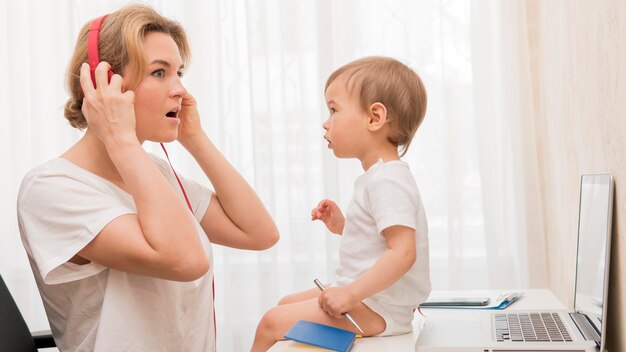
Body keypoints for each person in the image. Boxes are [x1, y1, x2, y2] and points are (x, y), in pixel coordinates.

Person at [16, 4, 279, 351]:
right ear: (103, 84)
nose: (180, 90)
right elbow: (186, 260)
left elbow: (259, 233)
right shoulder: (51, 188)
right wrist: (121, 138)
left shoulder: (153, 173)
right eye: (159, 73)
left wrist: (195, 139)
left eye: (179, 73)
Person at [252, 56, 431, 350]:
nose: (326, 122)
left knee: (270, 323)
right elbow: (380, 241)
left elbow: (403, 253)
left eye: (334, 110)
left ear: (375, 118)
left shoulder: (387, 180)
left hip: (377, 308)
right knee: (284, 304)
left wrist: (348, 294)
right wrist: (343, 227)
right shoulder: (381, 178)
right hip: (371, 300)